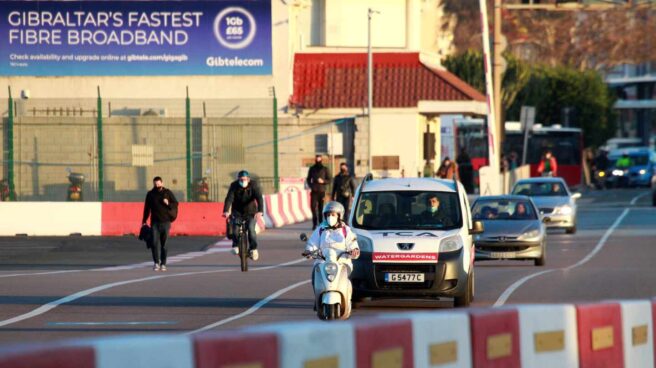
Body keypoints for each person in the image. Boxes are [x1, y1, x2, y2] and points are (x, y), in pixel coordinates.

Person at [303, 202, 360, 289]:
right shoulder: (320, 230)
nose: (330, 217)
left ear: (339, 216)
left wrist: (354, 250)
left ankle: (346, 300)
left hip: (342, 263)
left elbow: (352, 243)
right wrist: (309, 251)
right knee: (315, 275)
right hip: (323, 262)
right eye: (328, 214)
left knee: (346, 284)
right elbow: (312, 242)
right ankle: (318, 298)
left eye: (333, 214)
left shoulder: (346, 230)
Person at [223, 170, 264, 261]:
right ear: (238, 179)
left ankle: (253, 249)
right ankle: (236, 245)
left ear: (248, 179)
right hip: (237, 212)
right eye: (241, 180)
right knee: (235, 228)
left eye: (244, 179)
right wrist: (226, 211)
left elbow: (259, 198)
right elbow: (229, 199)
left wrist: (260, 211)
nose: (242, 181)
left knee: (250, 228)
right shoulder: (234, 186)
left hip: (251, 212)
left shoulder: (254, 185)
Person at [142, 176, 178, 271]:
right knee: (154, 243)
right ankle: (156, 263)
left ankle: (163, 264)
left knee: (164, 244)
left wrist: (168, 203)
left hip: (166, 222)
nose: (157, 185)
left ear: (162, 183)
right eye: (155, 184)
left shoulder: (167, 192)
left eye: (158, 184)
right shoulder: (150, 194)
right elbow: (147, 209)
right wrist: (144, 220)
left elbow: (176, 203)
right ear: (153, 184)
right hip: (154, 223)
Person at [306, 155, 330, 229]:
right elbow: (308, 179)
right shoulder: (312, 169)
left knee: (321, 208)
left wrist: (323, 181)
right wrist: (311, 185)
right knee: (313, 207)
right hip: (314, 191)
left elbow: (329, 180)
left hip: (321, 191)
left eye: (319, 159)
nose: (318, 161)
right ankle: (314, 223)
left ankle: (320, 223)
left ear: (321, 160)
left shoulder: (325, 169)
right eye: (317, 159)